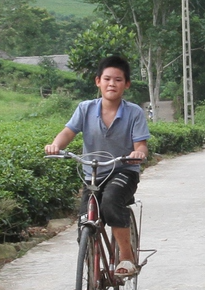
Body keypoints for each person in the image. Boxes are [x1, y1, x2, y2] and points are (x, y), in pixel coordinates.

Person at [45, 54, 149, 277]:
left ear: (126, 84)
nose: (112, 84)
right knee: (85, 223)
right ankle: (91, 280)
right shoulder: (85, 108)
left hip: (123, 171)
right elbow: (68, 132)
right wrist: (55, 146)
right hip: (92, 174)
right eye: (107, 79)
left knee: (111, 202)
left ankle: (126, 257)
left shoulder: (134, 113)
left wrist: (137, 154)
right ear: (98, 81)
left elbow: (141, 145)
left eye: (118, 80)